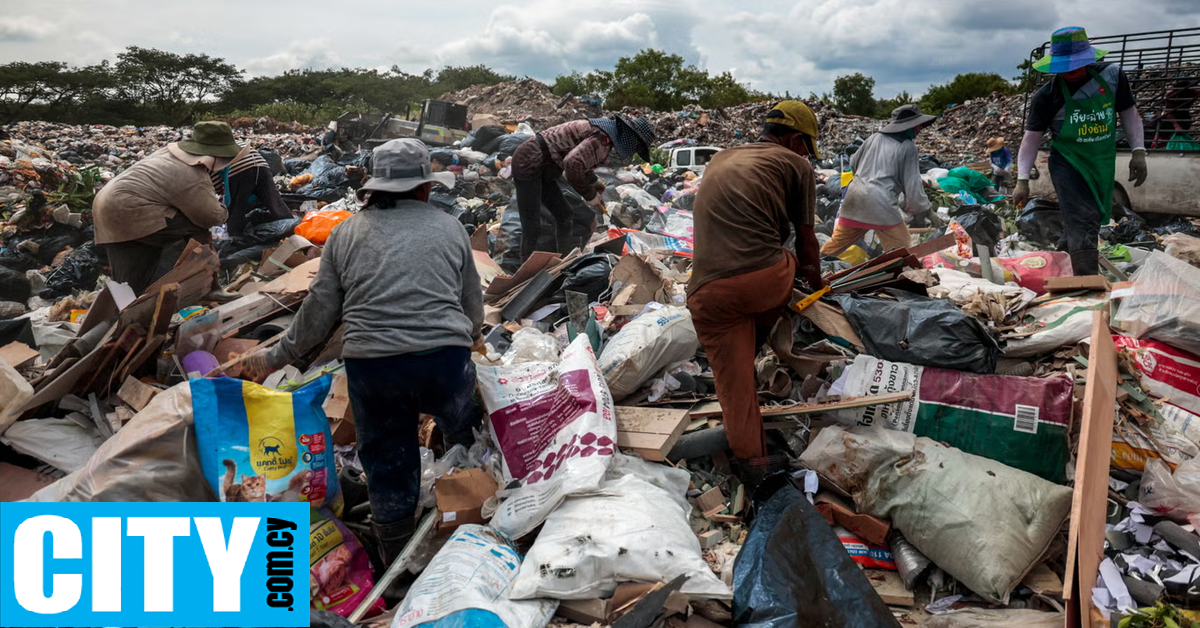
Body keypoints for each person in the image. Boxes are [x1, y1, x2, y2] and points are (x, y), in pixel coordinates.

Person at [243, 139, 483, 561]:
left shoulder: (346, 232)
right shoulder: (451, 227)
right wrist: (463, 341)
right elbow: (472, 309)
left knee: (389, 459)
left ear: (373, 187)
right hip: (444, 360)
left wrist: (272, 358)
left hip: (374, 367)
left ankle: (396, 562)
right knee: (466, 429)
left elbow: (318, 314)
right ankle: (471, 507)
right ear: (425, 188)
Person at [687, 101, 825, 465]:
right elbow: (806, 239)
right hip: (763, 283)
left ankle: (754, 468)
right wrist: (817, 282)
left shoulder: (718, 158)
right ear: (796, 140)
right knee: (792, 259)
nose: (806, 154)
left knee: (736, 392)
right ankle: (762, 339)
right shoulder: (796, 165)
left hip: (704, 294)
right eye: (807, 147)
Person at [1015, 26, 1147, 276]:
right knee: (1082, 215)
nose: (1070, 70)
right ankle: (1085, 279)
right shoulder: (1047, 96)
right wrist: (1022, 180)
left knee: (1094, 214)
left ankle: (1062, 262)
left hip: (1100, 160)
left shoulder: (1111, 76)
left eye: (1075, 63)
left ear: (1089, 57)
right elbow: (1031, 139)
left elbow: (1129, 113)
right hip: (1068, 163)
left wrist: (1138, 151)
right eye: (1063, 65)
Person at [93, 121, 236, 294]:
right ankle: (211, 288)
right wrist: (223, 209)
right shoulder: (190, 174)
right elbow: (210, 217)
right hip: (131, 209)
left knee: (127, 285)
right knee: (198, 228)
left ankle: (118, 315)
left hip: (105, 206)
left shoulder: (167, 154)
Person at [510, 115, 655, 261]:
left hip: (546, 168)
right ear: (631, 137)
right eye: (637, 146)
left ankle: (563, 261)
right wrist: (589, 194)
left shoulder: (604, 134)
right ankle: (524, 269)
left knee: (565, 214)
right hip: (529, 161)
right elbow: (573, 164)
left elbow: (582, 159)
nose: (634, 150)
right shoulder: (601, 138)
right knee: (531, 223)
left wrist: (593, 181)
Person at [819, 104, 936, 259]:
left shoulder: (874, 138)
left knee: (837, 243)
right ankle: (905, 277)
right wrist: (927, 211)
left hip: (854, 197)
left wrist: (865, 180)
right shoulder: (908, 147)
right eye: (918, 125)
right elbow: (913, 185)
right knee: (902, 249)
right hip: (881, 203)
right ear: (909, 126)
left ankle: (810, 268)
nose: (920, 128)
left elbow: (853, 164)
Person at [210, 144, 294, 238]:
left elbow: (216, 184)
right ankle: (292, 229)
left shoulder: (207, 155)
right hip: (261, 164)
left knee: (235, 209)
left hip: (239, 168)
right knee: (275, 202)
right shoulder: (228, 142)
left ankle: (235, 240)